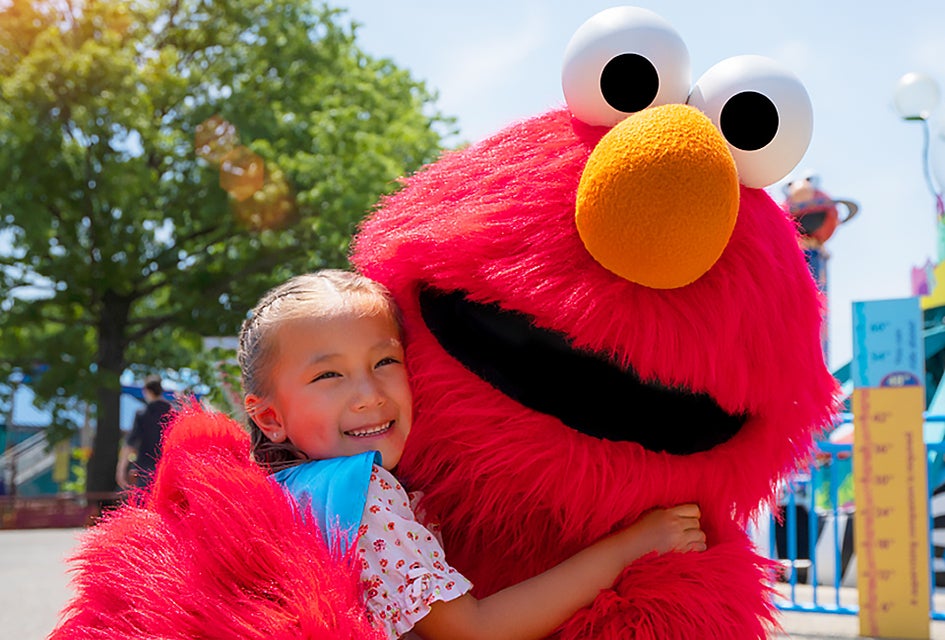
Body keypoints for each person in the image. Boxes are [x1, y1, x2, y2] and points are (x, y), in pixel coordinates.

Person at [237, 270, 707, 640]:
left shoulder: (281, 491)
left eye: (385, 362)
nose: (368, 394)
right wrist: (630, 546)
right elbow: (474, 629)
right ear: (270, 418)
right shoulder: (367, 496)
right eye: (328, 376)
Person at [116, 374, 173, 490]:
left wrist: (121, 469)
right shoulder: (172, 414)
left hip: (145, 468)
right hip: (167, 468)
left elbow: (130, 443)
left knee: (145, 504)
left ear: (147, 391)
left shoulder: (142, 414)